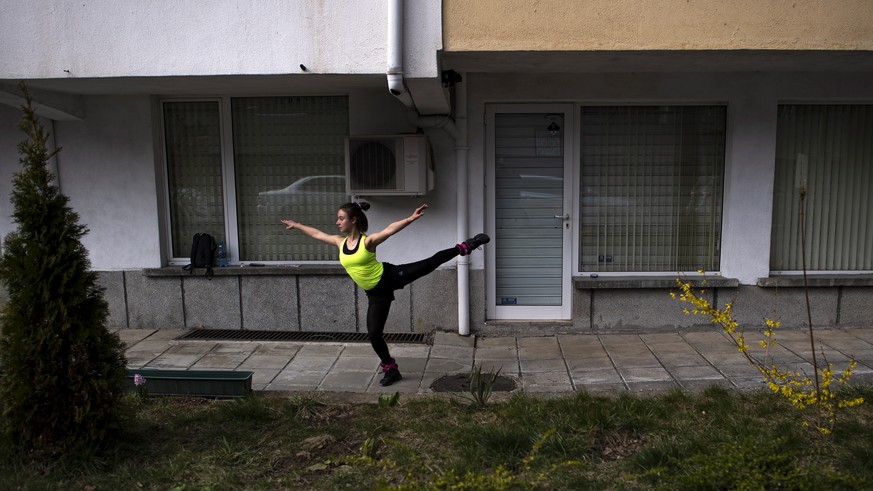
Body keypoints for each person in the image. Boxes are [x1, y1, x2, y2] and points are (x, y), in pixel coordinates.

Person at [281, 202, 489, 387]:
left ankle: (465, 247)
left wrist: (410, 218)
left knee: (428, 264)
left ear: (353, 220)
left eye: (341, 218)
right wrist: (297, 225)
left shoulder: (367, 242)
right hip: (375, 293)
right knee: (373, 334)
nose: (337, 222)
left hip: (389, 277)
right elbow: (318, 234)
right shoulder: (339, 242)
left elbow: (389, 230)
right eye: (338, 218)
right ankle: (391, 368)